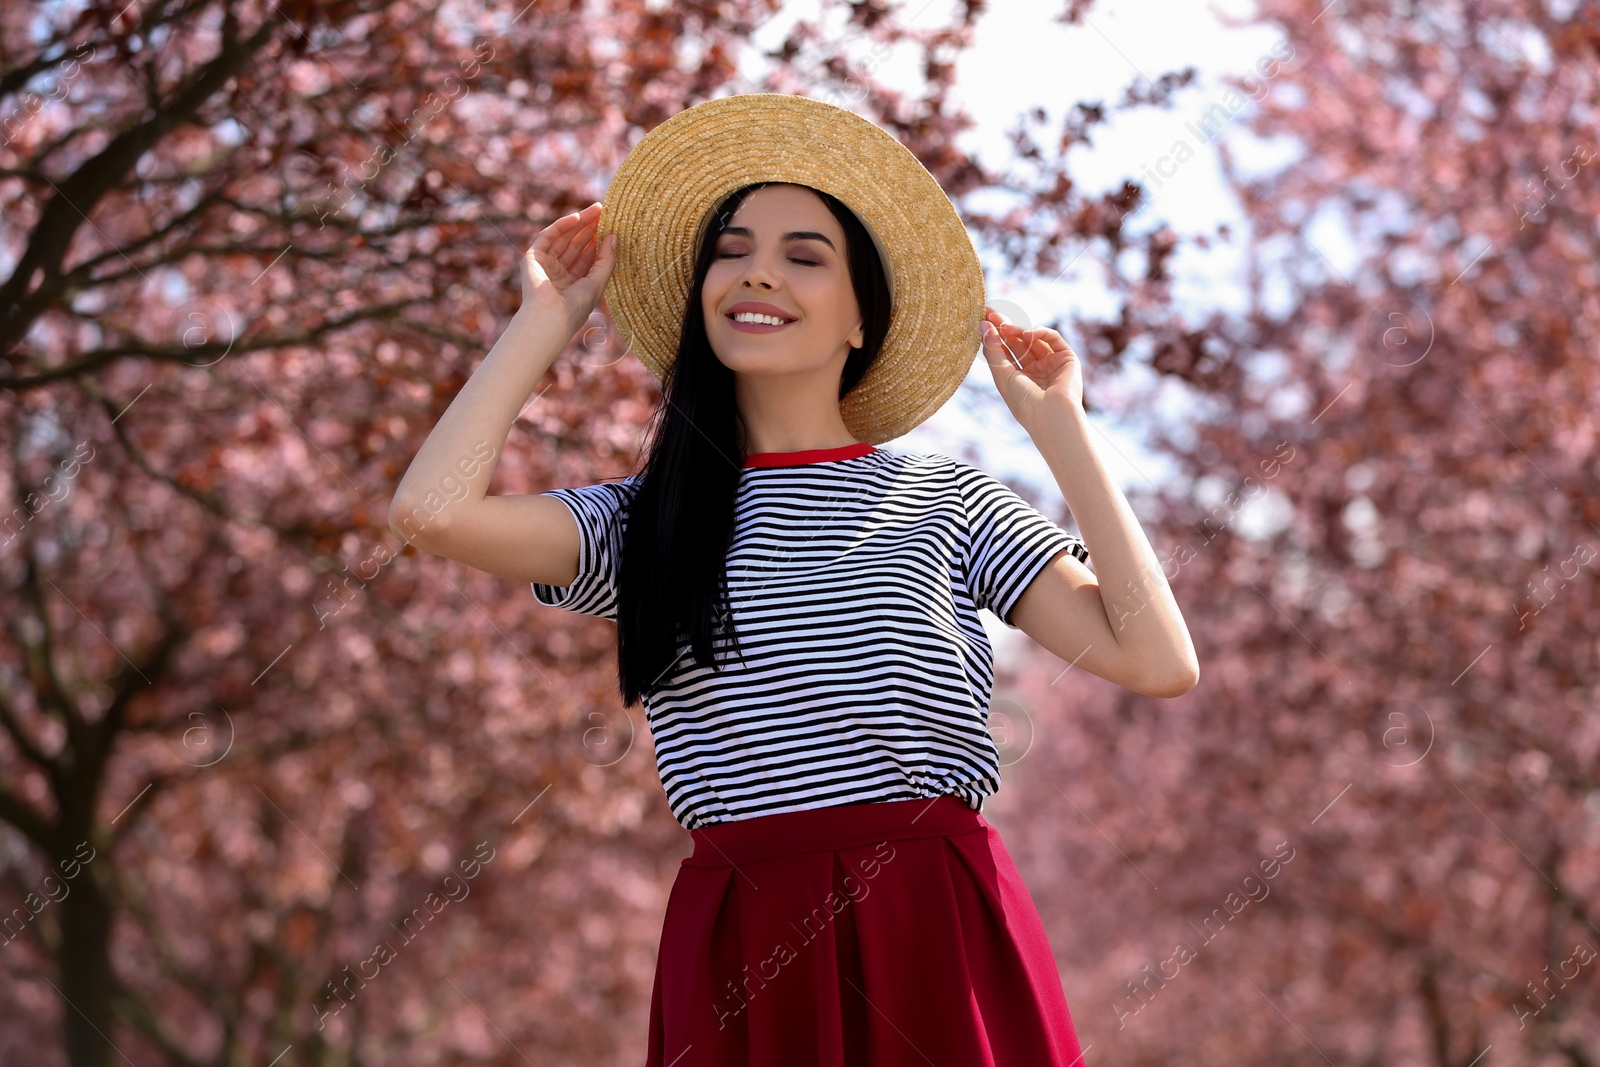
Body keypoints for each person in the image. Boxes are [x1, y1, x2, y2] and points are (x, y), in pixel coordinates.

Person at [389, 93, 1198, 1067]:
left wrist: (1062, 431)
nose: (757, 270)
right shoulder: (645, 521)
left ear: (864, 314)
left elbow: (1156, 657)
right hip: (739, 936)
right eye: (730, 250)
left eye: (804, 254)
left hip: (931, 920)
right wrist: (545, 319)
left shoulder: (948, 500)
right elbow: (429, 512)